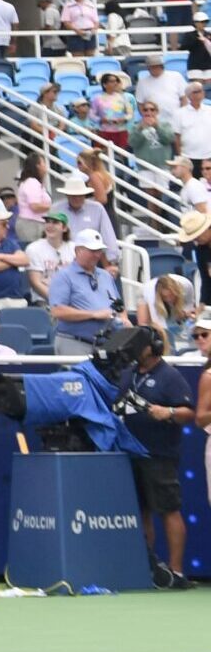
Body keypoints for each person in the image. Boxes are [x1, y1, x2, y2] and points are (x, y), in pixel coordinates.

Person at [109, 328, 194, 590]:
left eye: (139, 345)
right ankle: (148, 568)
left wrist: (167, 411)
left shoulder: (170, 376)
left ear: (154, 346)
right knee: (140, 512)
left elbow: (188, 413)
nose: (133, 349)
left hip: (158, 454)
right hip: (130, 452)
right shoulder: (128, 375)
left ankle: (176, 572)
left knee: (168, 509)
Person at [49, 229, 124, 357]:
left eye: (99, 251)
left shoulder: (105, 275)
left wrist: (124, 320)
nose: (97, 255)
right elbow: (58, 311)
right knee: (78, 377)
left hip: (106, 344)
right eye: (92, 251)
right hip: (75, 342)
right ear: (78, 250)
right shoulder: (64, 276)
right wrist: (93, 314)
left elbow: (119, 306)